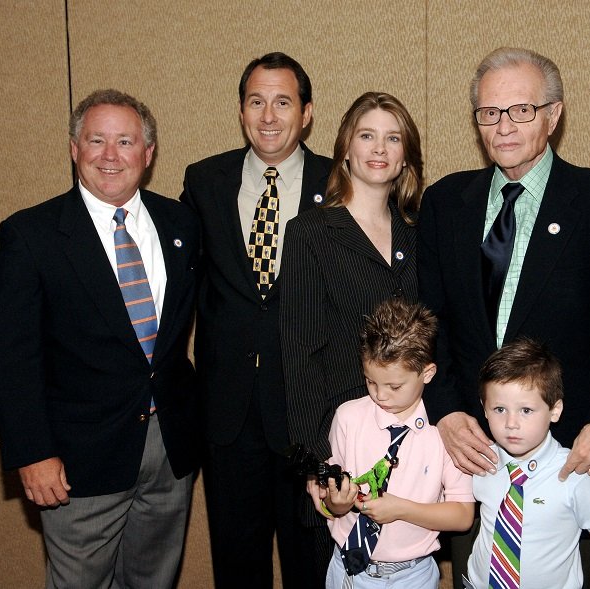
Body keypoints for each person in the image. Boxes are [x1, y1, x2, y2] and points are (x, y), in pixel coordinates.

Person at [417, 47, 590, 587]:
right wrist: (446, 411)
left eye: (521, 110)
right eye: (489, 112)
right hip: (474, 456)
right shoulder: (444, 202)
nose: (503, 126)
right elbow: (429, 323)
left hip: (571, 454)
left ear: (553, 115)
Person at [0, 89, 200, 588]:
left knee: (154, 580)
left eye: (125, 141)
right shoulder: (31, 236)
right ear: (74, 148)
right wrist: (32, 453)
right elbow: (11, 358)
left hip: (169, 452)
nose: (110, 155)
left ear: (147, 155)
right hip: (77, 461)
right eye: (95, 140)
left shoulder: (181, 224)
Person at [179, 52, 332, 588]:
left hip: (309, 415)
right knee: (237, 567)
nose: (269, 116)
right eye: (256, 102)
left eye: (283, 102)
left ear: (307, 113)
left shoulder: (338, 182)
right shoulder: (205, 182)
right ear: (242, 112)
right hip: (228, 416)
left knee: (309, 567)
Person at [280, 91, 423, 577]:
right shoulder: (311, 234)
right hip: (344, 444)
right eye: (367, 135)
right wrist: (318, 462)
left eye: (392, 137)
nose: (379, 148)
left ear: (406, 155)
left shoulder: (418, 233)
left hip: (413, 444)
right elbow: (298, 356)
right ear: (346, 148)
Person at [320, 298, 475, 588]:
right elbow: (331, 503)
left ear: (427, 374)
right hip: (346, 569)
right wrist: (336, 503)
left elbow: (463, 515)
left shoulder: (445, 433)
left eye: (394, 386)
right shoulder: (347, 418)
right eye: (370, 381)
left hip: (412, 575)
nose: (380, 395)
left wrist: (401, 509)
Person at [467, 338, 590, 589]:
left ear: (555, 410)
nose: (511, 423)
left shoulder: (577, 475)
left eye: (526, 410)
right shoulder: (480, 461)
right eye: (499, 409)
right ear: (484, 409)